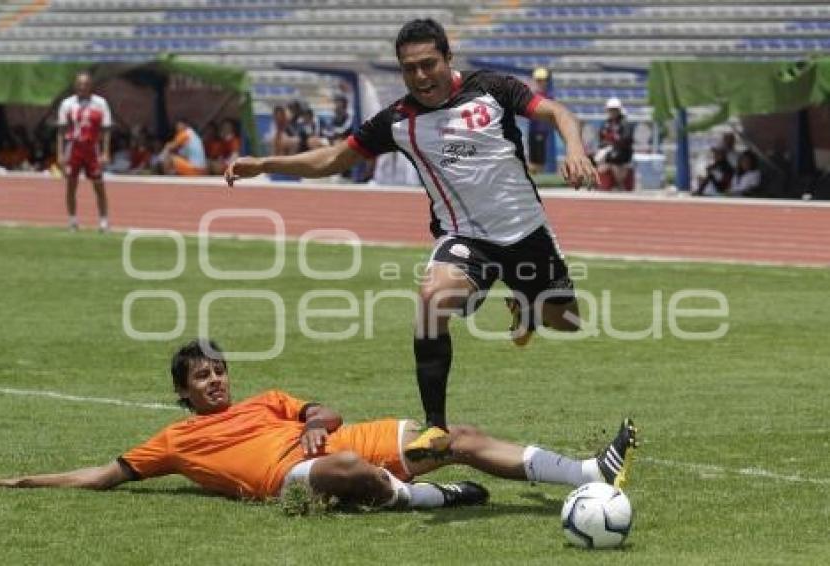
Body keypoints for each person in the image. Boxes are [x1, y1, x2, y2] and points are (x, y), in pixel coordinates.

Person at [225, 19, 598, 461]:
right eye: (410, 69)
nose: (421, 76)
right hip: (466, 238)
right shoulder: (399, 120)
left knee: (566, 323)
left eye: (428, 64)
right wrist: (266, 163)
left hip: (526, 233)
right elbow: (331, 158)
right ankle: (435, 426)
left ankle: (527, 308)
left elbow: (559, 112)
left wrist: (574, 148)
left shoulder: (492, 89)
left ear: (447, 59)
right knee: (431, 297)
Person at [0, 340, 637, 509]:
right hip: (288, 479)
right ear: (183, 394)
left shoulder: (267, 398)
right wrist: (24, 482)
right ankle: (423, 498)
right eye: (201, 377)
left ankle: (588, 471)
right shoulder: (173, 441)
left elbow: (325, 411)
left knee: (455, 438)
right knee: (350, 474)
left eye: (219, 371)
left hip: (336, 444)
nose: (215, 380)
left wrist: (318, 422)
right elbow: (105, 474)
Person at [57, 72, 112, 232]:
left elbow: (106, 130)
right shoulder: (67, 104)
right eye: (79, 84)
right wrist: (60, 153)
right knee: (71, 186)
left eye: (85, 84)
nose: (82, 87)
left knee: (99, 186)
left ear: (91, 86)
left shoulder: (100, 103)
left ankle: (103, 221)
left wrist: (106, 152)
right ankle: (72, 221)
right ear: (75, 86)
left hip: (92, 148)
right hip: (73, 148)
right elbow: (61, 130)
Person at [594, 97, 634, 191]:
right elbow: (601, 138)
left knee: (613, 157)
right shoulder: (606, 123)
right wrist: (605, 145)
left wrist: (614, 143)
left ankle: (620, 184)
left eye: (614, 110)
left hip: (622, 150)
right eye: (610, 110)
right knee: (593, 158)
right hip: (607, 149)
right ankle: (601, 183)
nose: (612, 112)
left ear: (619, 110)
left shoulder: (624, 123)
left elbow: (626, 138)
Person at [528, 67, 550, 174]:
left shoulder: (547, 96)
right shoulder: (533, 94)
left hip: (542, 129)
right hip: (534, 129)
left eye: (543, 80)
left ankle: (538, 177)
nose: (541, 83)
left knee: (540, 158)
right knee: (534, 158)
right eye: (538, 80)